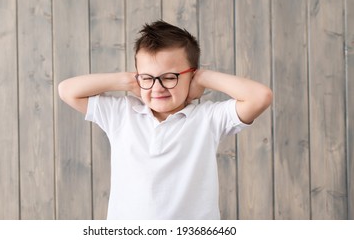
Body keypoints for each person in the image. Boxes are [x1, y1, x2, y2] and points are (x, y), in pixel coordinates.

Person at [58, 20, 272, 220]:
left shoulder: (207, 119)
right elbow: (67, 90)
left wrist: (204, 78)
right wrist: (125, 80)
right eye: (148, 78)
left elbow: (260, 96)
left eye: (170, 77)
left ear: (191, 75)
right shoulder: (121, 114)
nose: (157, 88)